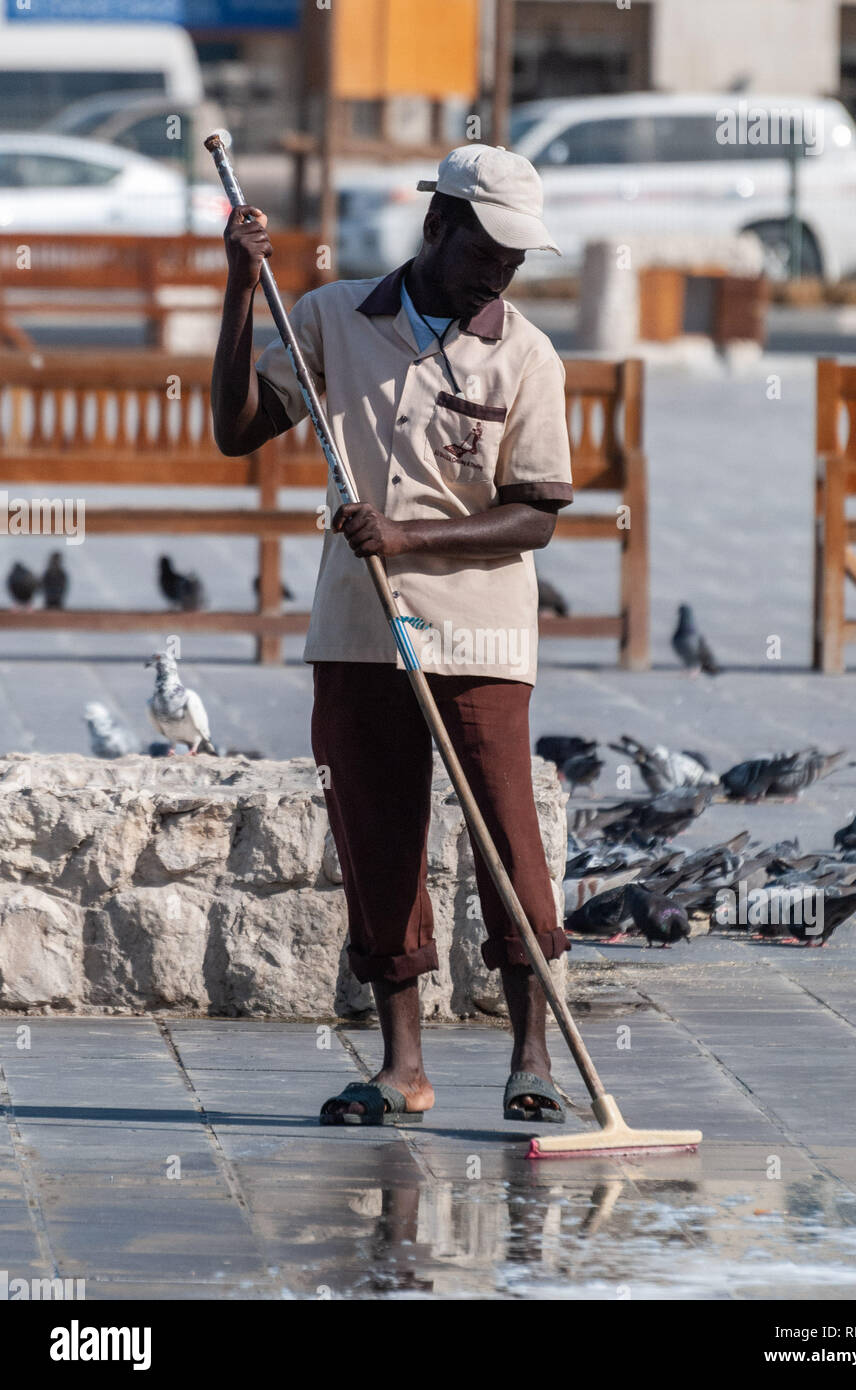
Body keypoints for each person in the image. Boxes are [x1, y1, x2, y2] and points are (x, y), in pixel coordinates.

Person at [211, 144, 574, 1126]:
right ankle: (401, 1065)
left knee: (509, 840)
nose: (500, 271)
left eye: (515, 257)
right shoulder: (332, 317)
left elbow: (535, 511)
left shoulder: (526, 354)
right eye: (486, 249)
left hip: (482, 638)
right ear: (436, 227)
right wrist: (242, 290)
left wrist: (411, 531)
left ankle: (532, 1054)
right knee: (378, 838)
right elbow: (237, 427)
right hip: (361, 629)